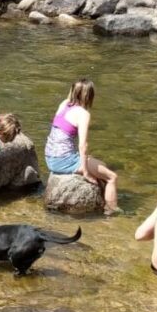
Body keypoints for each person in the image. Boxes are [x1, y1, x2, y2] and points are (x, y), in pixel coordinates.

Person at [44, 78, 120, 215]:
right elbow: (83, 145)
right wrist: (85, 172)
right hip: (64, 160)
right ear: (89, 96)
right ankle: (113, 212)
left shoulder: (64, 104)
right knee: (111, 177)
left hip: (50, 158)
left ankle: (104, 200)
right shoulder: (83, 114)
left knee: (101, 164)